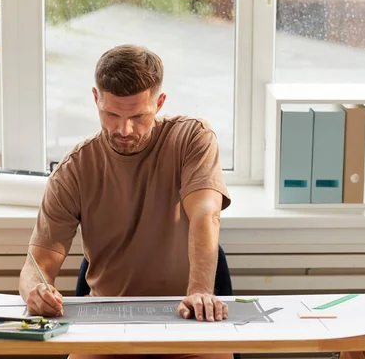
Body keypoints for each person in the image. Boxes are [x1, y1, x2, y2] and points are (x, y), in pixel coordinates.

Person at [19, 44, 232, 359]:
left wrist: (200, 291)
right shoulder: (74, 168)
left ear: (159, 103)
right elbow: (36, 264)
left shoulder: (192, 138)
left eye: (138, 116)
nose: (123, 129)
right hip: (106, 326)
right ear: (96, 99)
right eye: (111, 114)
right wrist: (35, 290)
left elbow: (205, 213)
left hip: (187, 318)